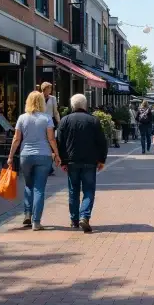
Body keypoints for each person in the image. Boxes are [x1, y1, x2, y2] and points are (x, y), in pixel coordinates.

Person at [7, 91, 61, 231]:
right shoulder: (47, 118)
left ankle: (27, 213)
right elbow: (51, 139)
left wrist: (11, 156)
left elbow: (17, 139)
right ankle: (36, 222)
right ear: (42, 102)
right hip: (44, 155)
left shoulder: (22, 118)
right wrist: (56, 154)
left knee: (28, 185)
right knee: (39, 188)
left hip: (26, 155)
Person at [56, 94, 108, 233]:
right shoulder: (93, 121)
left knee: (73, 191)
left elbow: (59, 142)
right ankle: (84, 216)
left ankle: (74, 220)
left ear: (72, 105)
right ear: (85, 105)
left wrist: (62, 160)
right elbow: (102, 142)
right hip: (90, 161)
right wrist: (102, 159)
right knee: (89, 190)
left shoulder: (65, 120)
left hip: (71, 161)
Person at [39, 82, 61, 175]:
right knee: (43, 144)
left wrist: (60, 122)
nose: (50, 90)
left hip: (50, 122)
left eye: (50, 89)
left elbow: (55, 112)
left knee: (51, 144)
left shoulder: (53, 98)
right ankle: (43, 166)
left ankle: (49, 167)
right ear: (44, 89)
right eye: (49, 88)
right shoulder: (38, 97)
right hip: (40, 122)